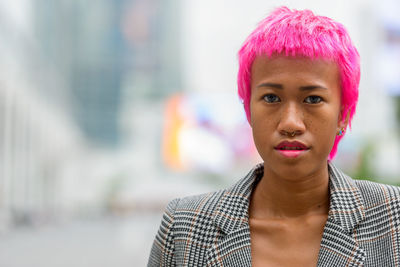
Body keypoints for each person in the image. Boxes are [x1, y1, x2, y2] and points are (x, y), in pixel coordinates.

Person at [148, 6, 400, 267]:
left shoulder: (393, 221)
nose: (290, 123)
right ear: (248, 109)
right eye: (271, 98)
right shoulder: (185, 229)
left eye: (313, 99)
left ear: (343, 114)